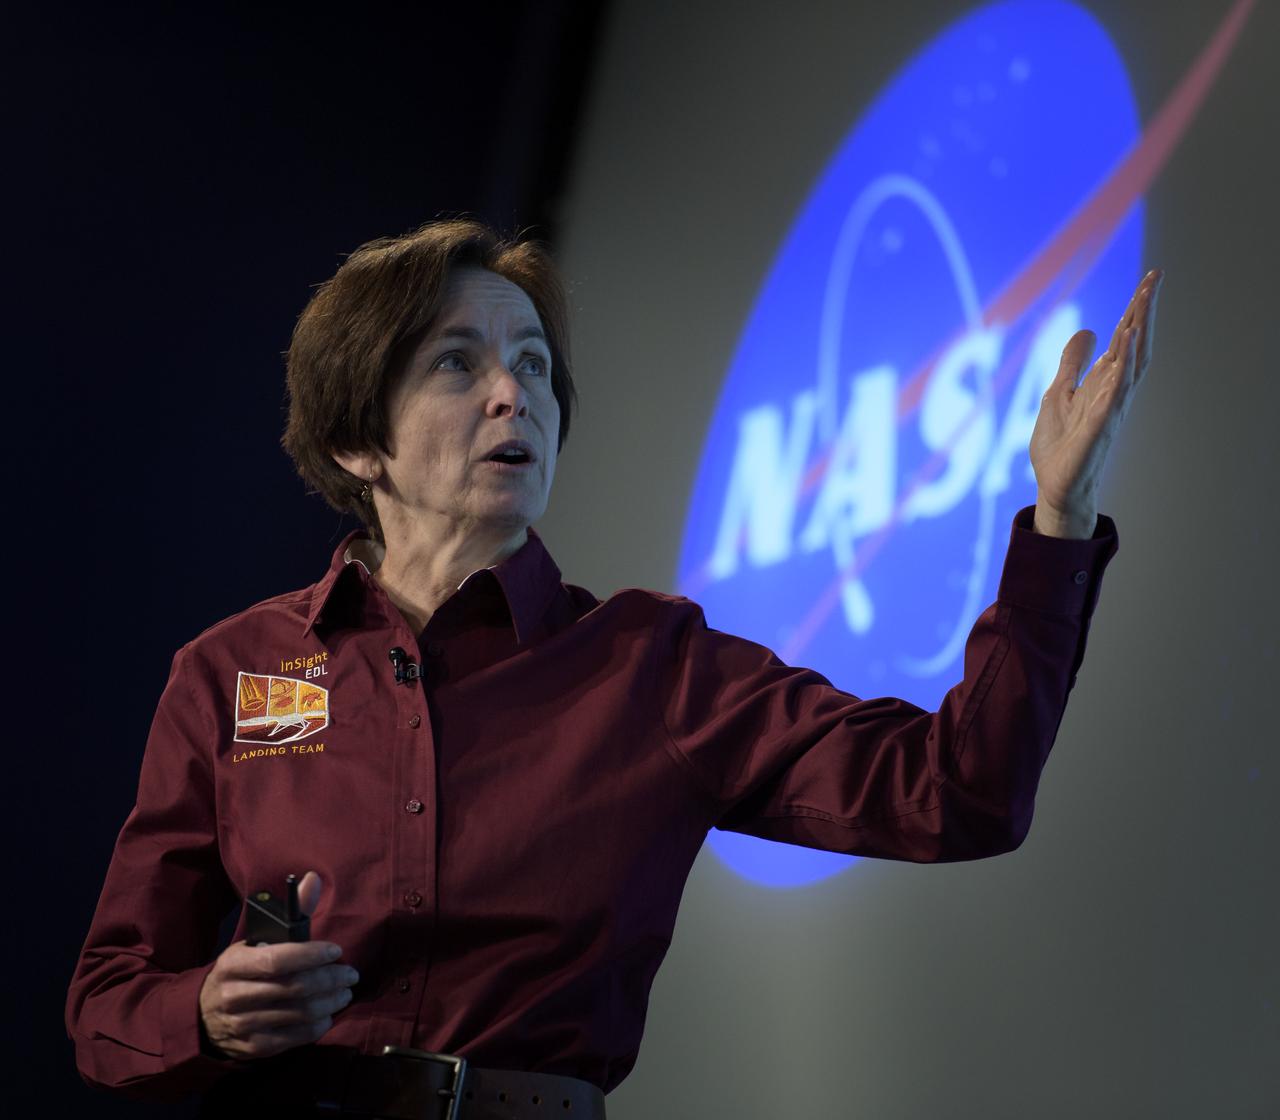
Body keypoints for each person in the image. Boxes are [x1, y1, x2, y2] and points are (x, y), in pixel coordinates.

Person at [65, 218, 1162, 1119]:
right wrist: (207, 1011)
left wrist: (1057, 523)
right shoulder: (231, 671)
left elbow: (958, 792)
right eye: (460, 362)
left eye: (532, 366)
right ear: (357, 442)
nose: (514, 394)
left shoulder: (650, 666)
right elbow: (107, 1002)